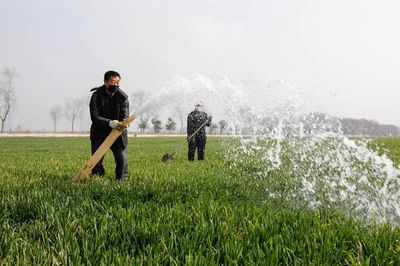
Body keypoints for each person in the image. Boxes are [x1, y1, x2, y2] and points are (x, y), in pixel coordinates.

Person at [89, 70, 129, 180]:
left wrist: (124, 123)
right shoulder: (96, 96)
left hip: (117, 133)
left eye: (117, 83)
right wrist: (109, 123)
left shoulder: (123, 98)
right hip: (100, 131)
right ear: (105, 82)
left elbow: (125, 115)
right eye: (112, 82)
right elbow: (94, 117)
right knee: (97, 159)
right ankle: (97, 178)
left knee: (122, 158)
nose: (115, 85)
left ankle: (121, 180)